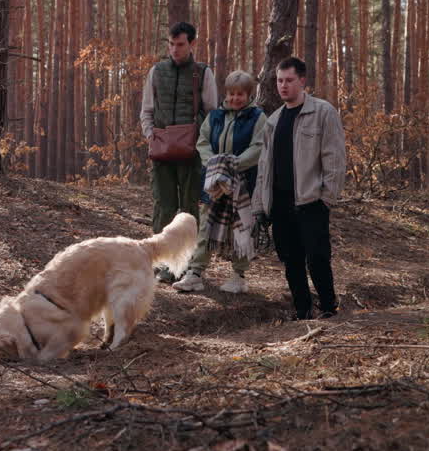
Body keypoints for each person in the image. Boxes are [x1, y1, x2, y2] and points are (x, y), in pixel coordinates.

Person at [254, 56, 346, 319]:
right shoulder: (272, 121)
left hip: (311, 201)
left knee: (317, 258)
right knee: (291, 260)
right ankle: (302, 310)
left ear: (302, 81)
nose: (283, 86)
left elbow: (335, 158)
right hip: (280, 203)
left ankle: (329, 307)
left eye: (289, 80)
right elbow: (264, 169)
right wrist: (262, 206)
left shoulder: (323, 112)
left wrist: (327, 197)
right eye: (280, 81)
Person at [174, 70, 266, 293]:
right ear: (226, 93)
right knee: (206, 225)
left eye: (240, 95)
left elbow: (258, 147)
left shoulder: (258, 117)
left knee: (241, 228)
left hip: (243, 183)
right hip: (214, 182)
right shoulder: (214, 116)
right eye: (232, 94)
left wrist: (233, 164)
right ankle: (195, 273)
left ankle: (238, 276)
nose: (235, 99)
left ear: (249, 95)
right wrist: (215, 163)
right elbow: (202, 142)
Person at [140, 21, 217, 283]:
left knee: (188, 211)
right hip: (161, 152)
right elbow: (147, 110)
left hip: (191, 154)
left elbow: (211, 113)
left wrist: (200, 143)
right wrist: (150, 134)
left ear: (192, 44)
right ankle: (162, 264)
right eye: (171, 44)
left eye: (180, 44)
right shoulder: (156, 72)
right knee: (163, 206)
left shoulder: (203, 73)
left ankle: (185, 267)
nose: (174, 49)